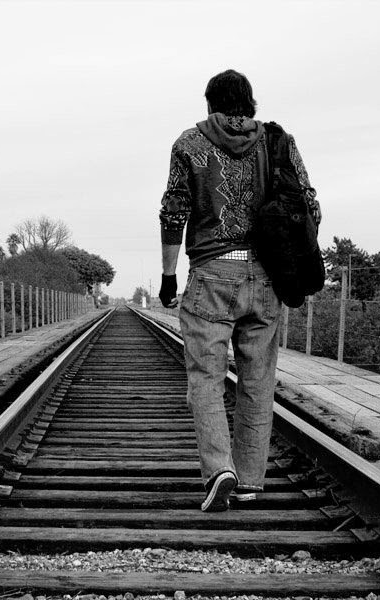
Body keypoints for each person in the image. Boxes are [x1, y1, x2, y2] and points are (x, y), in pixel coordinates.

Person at [158, 69, 319, 512]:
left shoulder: (189, 143)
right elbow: (310, 206)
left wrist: (169, 275)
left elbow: (174, 211)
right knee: (257, 381)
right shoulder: (277, 141)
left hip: (211, 274)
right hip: (266, 278)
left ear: (210, 105)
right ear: (250, 105)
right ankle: (249, 481)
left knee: (206, 378)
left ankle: (219, 469)